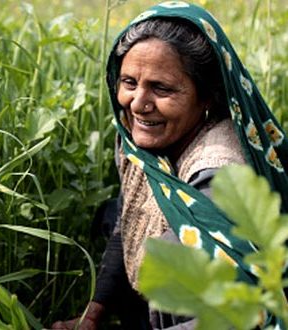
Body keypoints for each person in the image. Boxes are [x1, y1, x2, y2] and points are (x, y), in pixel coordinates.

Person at [52, 1, 288, 329]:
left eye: (161, 88)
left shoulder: (220, 175)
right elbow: (130, 215)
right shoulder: (145, 133)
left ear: (207, 97)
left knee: (172, 252)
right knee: (113, 214)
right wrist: (93, 315)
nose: (138, 104)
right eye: (129, 82)